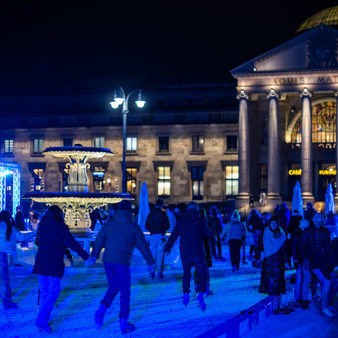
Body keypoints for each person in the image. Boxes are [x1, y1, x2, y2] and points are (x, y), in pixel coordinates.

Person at [90, 200, 155, 334]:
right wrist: (151, 263)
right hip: (122, 262)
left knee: (114, 286)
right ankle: (123, 322)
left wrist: (94, 256)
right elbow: (143, 246)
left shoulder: (109, 224)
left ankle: (102, 309)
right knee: (125, 291)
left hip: (108, 261)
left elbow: (99, 240)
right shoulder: (133, 227)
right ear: (129, 212)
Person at [33, 205, 90, 333]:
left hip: (41, 263)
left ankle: (43, 319)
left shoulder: (42, 225)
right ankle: (41, 320)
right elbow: (72, 243)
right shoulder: (60, 226)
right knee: (54, 291)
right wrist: (85, 256)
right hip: (53, 264)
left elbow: (37, 241)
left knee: (44, 292)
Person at [164, 201, 215, 311]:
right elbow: (210, 235)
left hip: (185, 252)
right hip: (197, 251)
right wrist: (211, 236)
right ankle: (201, 293)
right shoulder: (200, 221)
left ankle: (186, 293)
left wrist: (167, 248)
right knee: (201, 272)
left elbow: (173, 236)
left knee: (186, 273)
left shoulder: (181, 221)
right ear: (196, 209)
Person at [300, 212, 335, 316]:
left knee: (328, 281)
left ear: (323, 221)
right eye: (317, 221)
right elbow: (302, 247)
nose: (319, 223)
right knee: (307, 280)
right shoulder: (307, 231)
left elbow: (328, 248)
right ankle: (307, 302)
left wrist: (331, 263)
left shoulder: (325, 232)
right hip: (309, 259)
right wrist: (304, 259)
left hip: (320, 260)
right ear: (314, 221)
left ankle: (326, 305)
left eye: (321, 221)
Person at [0, 210, 36, 309]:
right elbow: (21, 237)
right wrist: (35, 232)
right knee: (4, 279)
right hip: (4, 255)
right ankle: (6, 301)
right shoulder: (10, 227)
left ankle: (4, 296)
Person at [258, 216, 287, 295]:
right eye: (272, 223)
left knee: (278, 276)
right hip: (267, 258)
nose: (273, 225)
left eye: (275, 223)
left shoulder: (281, 234)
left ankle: (277, 291)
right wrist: (260, 253)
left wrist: (286, 260)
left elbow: (284, 248)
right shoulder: (265, 232)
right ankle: (269, 290)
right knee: (268, 276)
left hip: (278, 258)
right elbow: (260, 243)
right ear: (269, 224)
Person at [145, 198, 170, 279]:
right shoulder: (163, 214)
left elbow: (147, 225)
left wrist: (152, 229)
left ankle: (152, 271)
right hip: (161, 235)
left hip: (153, 235)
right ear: (162, 205)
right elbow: (168, 225)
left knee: (152, 254)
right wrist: (164, 229)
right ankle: (159, 271)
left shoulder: (150, 214)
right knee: (160, 254)